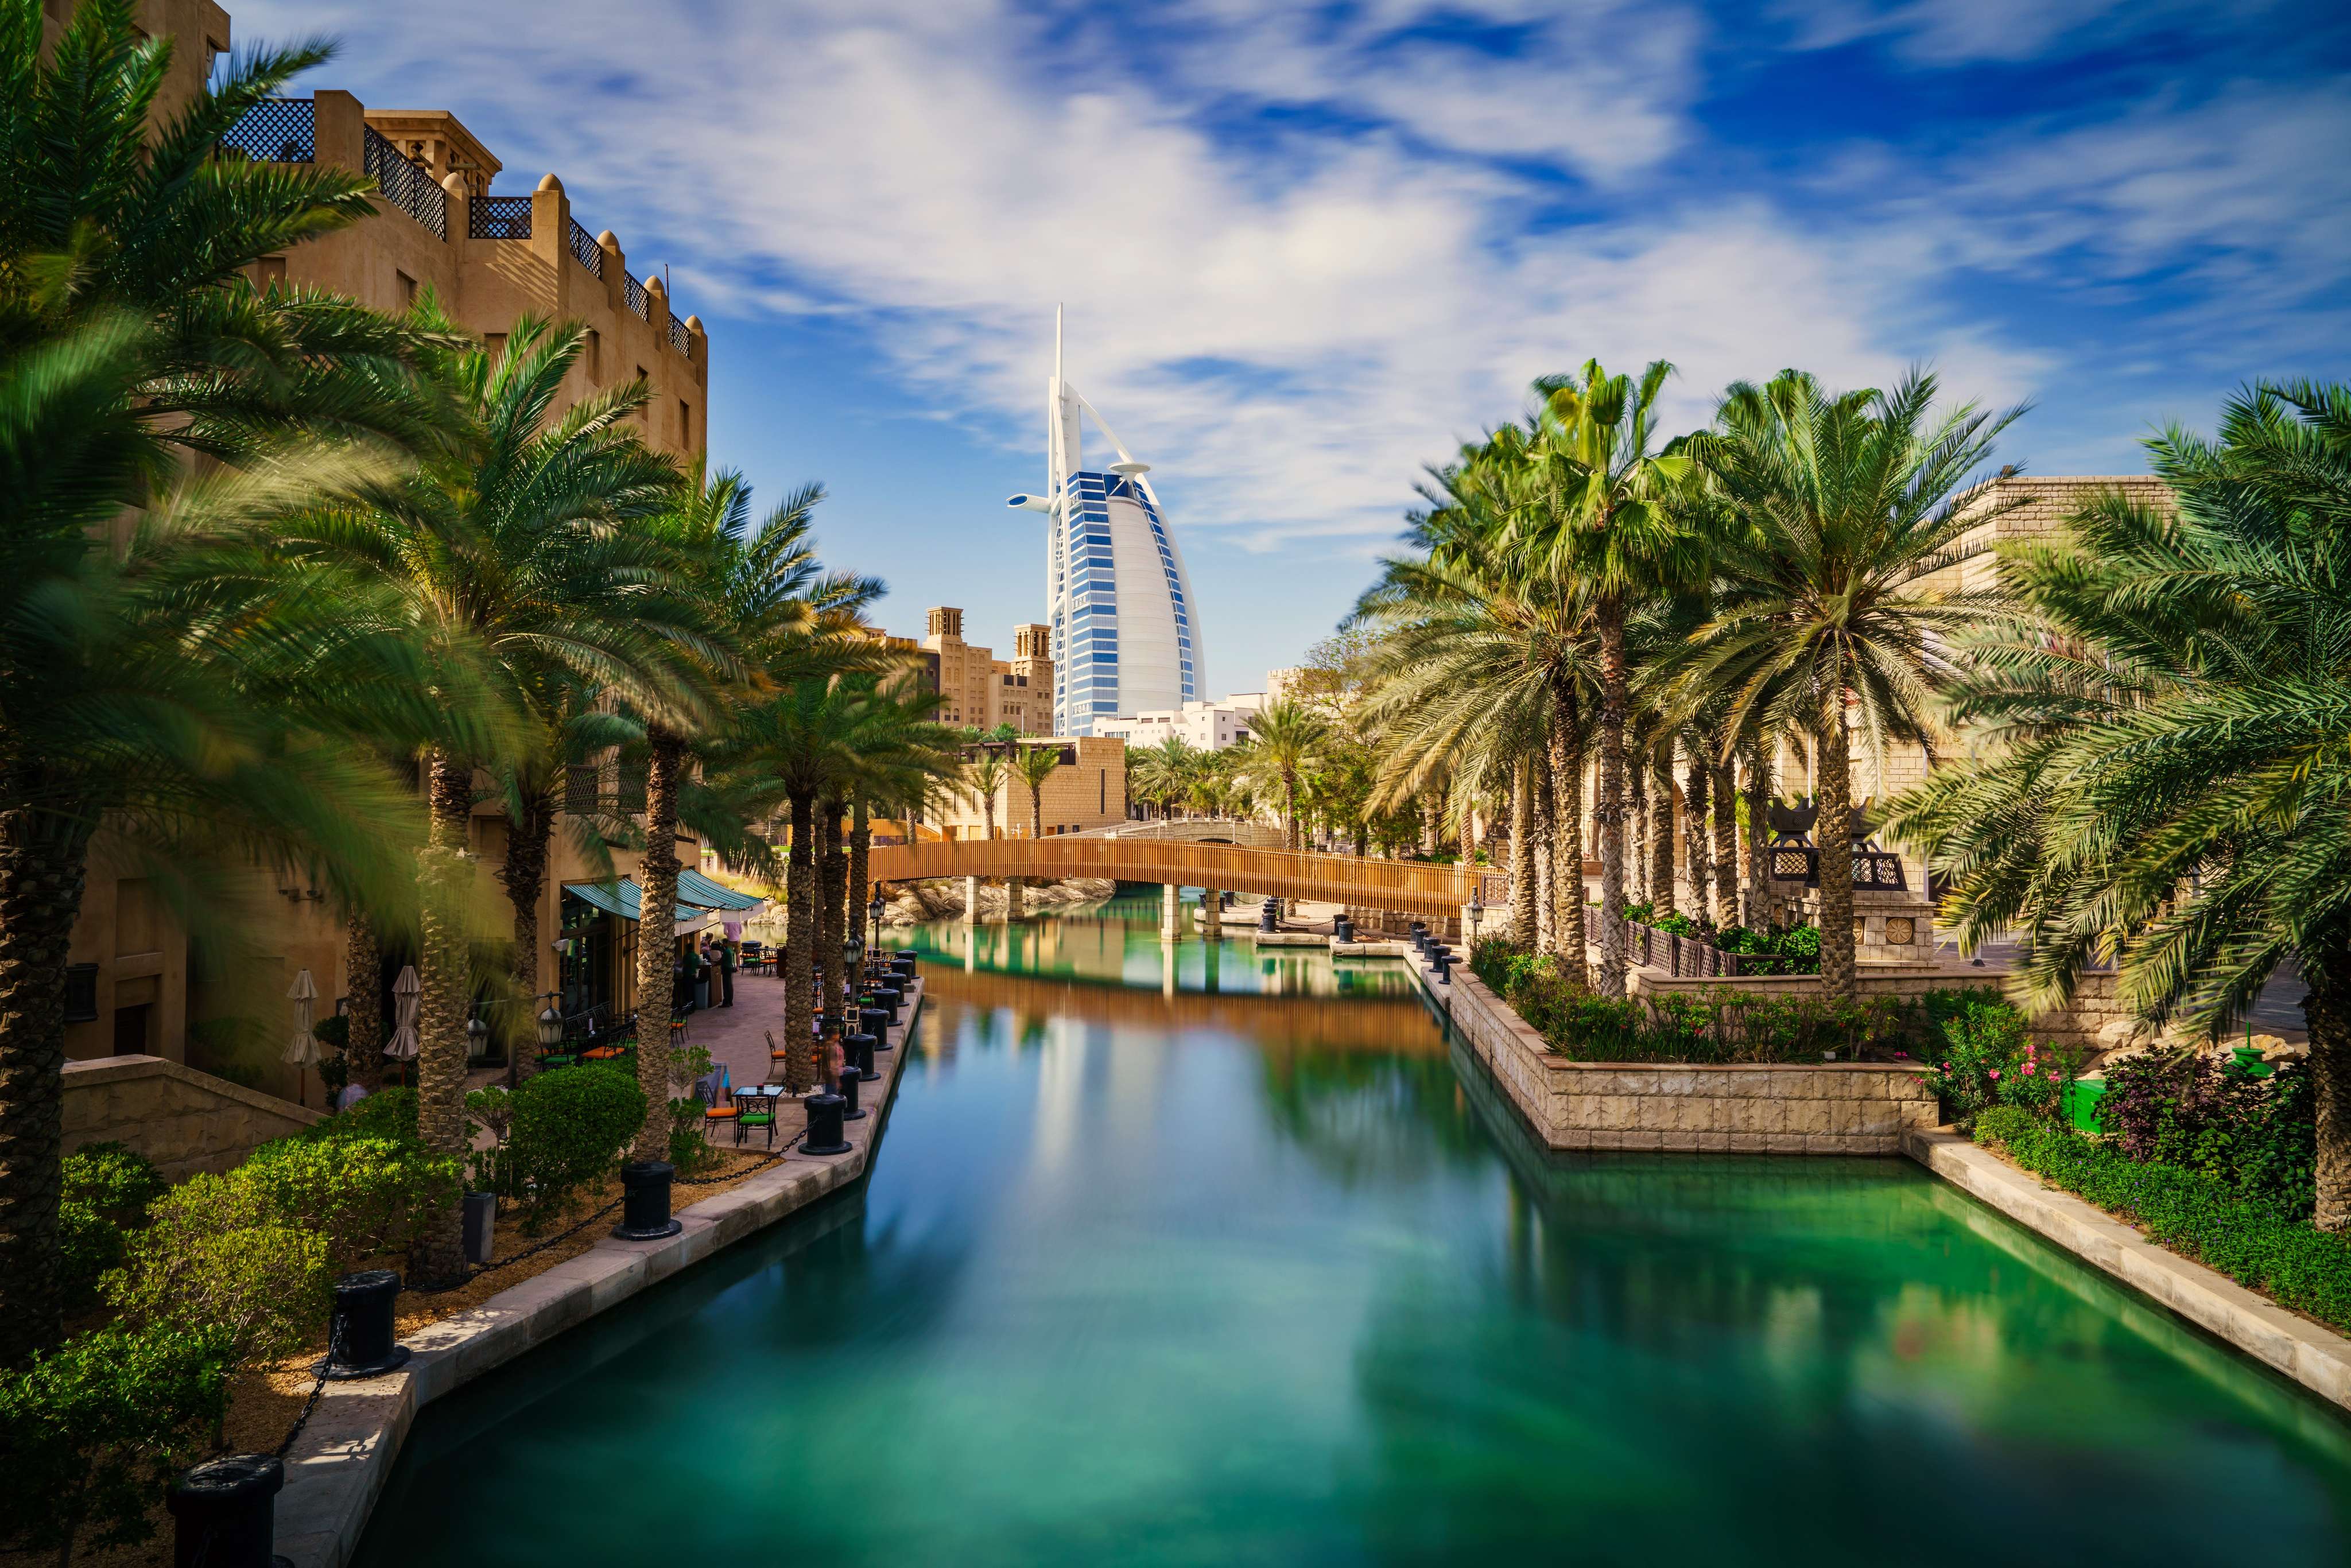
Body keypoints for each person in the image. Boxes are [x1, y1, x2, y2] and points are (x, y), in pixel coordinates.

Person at [715, 934, 736, 1008]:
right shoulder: (729, 950)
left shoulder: (727, 952)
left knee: (726, 986)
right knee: (729, 985)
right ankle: (730, 1001)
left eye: (723, 943)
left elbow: (721, 960)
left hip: (726, 969)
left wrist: (714, 965)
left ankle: (726, 1002)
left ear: (726, 943)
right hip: (729, 969)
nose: (723, 945)